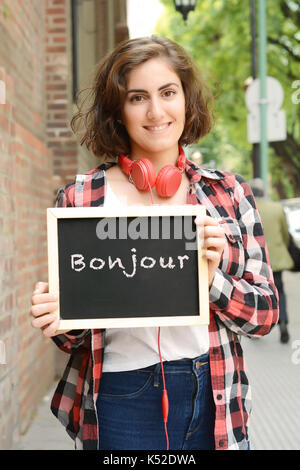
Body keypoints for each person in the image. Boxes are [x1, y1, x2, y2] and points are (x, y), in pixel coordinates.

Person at [30, 36, 278, 451]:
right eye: (137, 97)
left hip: (215, 390)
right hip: (121, 395)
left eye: (168, 93)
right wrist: (59, 319)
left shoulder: (229, 194)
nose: (156, 111)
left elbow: (265, 315)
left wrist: (210, 276)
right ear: (118, 112)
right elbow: (74, 338)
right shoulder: (81, 199)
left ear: (186, 100)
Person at [249, 178, 293, 343]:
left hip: (255, 260)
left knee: (257, 292)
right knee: (279, 291)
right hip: (276, 259)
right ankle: (283, 321)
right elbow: (285, 234)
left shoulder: (249, 209)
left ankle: (257, 326)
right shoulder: (277, 208)